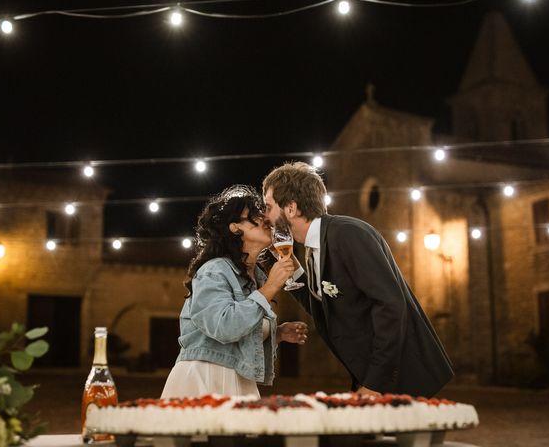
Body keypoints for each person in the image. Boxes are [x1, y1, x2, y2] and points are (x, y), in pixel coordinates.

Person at [263, 162, 454, 398]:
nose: (265, 216)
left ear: (290, 208)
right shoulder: (314, 248)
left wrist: (375, 382)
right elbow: (325, 309)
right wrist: (293, 269)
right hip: (369, 376)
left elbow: (391, 306)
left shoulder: (348, 234)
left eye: (269, 207)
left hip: (402, 379)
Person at [161, 185, 308, 399]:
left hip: (238, 378)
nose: (264, 220)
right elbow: (224, 327)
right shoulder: (214, 270)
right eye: (254, 217)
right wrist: (269, 289)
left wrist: (278, 334)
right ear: (234, 228)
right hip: (206, 378)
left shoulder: (255, 276)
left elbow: (240, 334)